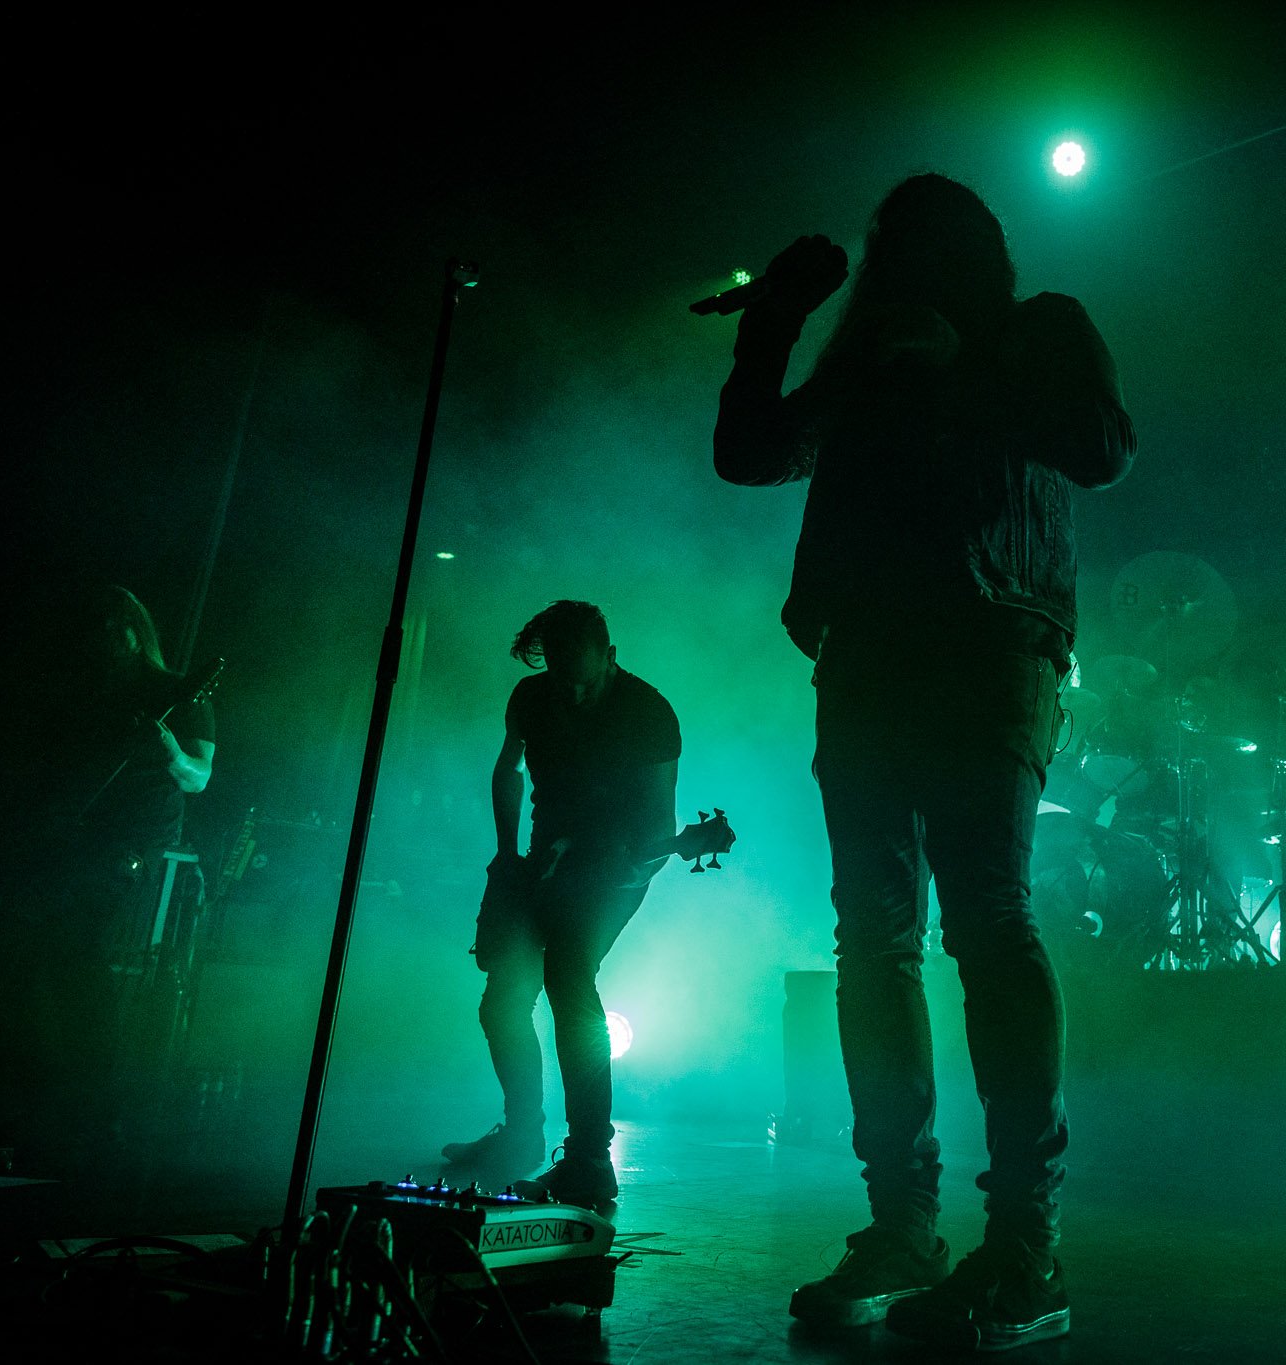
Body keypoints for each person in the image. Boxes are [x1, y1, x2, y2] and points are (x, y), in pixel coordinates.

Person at [714, 173, 1134, 1350]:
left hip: (990, 643)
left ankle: (1022, 1250)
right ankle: (905, 1227)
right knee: (877, 940)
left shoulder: (1035, 327)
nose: (897, 265)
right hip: (866, 659)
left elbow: (1102, 446)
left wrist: (964, 365)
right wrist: (775, 318)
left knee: (985, 922)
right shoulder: (867, 366)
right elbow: (749, 454)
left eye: (914, 246)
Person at [442, 601, 680, 1206]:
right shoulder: (531, 697)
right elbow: (509, 770)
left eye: (585, 677)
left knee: (569, 978)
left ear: (611, 656)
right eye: (559, 675)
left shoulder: (648, 712)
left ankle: (589, 1160)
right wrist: (507, 854)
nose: (571, 692)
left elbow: (657, 829)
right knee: (501, 1004)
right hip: (542, 860)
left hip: (615, 871)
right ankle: (522, 1132)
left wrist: (601, 858)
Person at [0, 583, 216, 1166]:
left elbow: (199, 777)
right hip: (66, 847)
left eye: (117, 628)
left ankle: (91, 1114)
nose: (107, 639)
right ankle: (21, 1104)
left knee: (84, 972)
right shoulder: (86, 695)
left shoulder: (179, 694)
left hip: (132, 851)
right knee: (13, 963)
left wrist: (169, 753)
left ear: (138, 629)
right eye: (98, 630)